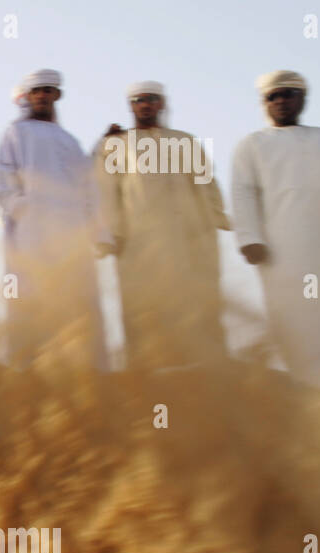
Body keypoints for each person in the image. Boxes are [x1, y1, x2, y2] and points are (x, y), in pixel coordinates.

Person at [231, 70, 320, 386]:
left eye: (288, 94)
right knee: (296, 316)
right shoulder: (252, 145)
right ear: (264, 103)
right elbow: (243, 191)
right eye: (272, 96)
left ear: (302, 99)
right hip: (284, 250)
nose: (280, 101)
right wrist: (249, 237)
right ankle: (307, 387)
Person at [93, 81, 231, 369]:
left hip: (188, 240)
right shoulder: (115, 144)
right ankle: (146, 374)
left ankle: (207, 374)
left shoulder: (185, 140)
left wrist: (217, 217)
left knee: (195, 301)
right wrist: (110, 233)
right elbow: (105, 190)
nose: (145, 105)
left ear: (161, 104)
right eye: (139, 100)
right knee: (143, 305)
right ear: (131, 106)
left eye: (151, 99)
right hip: (137, 241)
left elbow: (207, 182)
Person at [0, 70, 108, 368]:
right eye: (37, 91)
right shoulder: (15, 133)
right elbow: (0, 182)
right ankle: (27, 368)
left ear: (56, 96)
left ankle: (80, 368)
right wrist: (22, 207)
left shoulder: (70, 140)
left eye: (47, 91)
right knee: (31, 294)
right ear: (28, 97)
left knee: (75, 298)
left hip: (71, 230)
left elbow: (88, 185)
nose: (42, 96)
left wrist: (99, 232)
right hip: (31, 233)